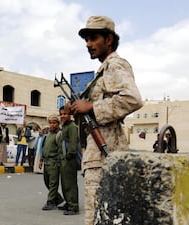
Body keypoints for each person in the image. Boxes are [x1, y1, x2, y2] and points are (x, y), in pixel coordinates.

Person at [68, 16, 143, 224]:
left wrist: (92, 106)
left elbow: (133, 98)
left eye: (93, 38)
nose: (88, 44)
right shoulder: (102, 73)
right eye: (86, 40)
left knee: (101, 215)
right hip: (97, 154)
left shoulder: (114, 65)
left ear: (108, 40)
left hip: (106, 154)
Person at [39, 114, 64, 210]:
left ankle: (50, 202)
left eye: (54, 123)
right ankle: (58, 198)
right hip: (46, 162)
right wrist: (41, 160)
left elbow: (60, 150)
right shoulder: (48, 134)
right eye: (50, 123)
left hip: (54, 162)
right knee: (47, 182)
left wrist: (58, 162)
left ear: (58, 124)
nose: (52, 125)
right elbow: (44, 148)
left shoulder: (59, 134)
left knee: (53, 183)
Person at [58, 106, 79, 215]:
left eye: (65, 114)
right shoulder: (64, 127)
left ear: (69, 115)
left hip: (69, 159)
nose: (63, 116)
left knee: (70, 183)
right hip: (63, 158)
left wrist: (69, 156)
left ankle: (73, 205)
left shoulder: (72, 127)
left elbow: (73, 143)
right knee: (65, 183)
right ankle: (68, 202)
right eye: (61, 114)